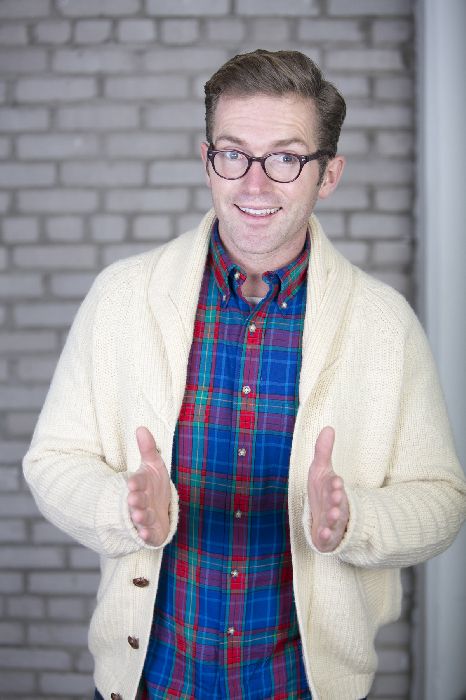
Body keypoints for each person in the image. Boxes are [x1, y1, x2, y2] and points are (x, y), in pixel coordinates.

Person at [23, 49, 465, 700]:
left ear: (329, 174)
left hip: (303, 688)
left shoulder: (383, 323)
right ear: (207, 161)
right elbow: (52, 461)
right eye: (233, 154)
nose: (254, 185)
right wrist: (123, 508)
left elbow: (443, 501)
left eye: (285, 158)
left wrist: (355, 519)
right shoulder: (122, 297)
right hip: (151, 685)